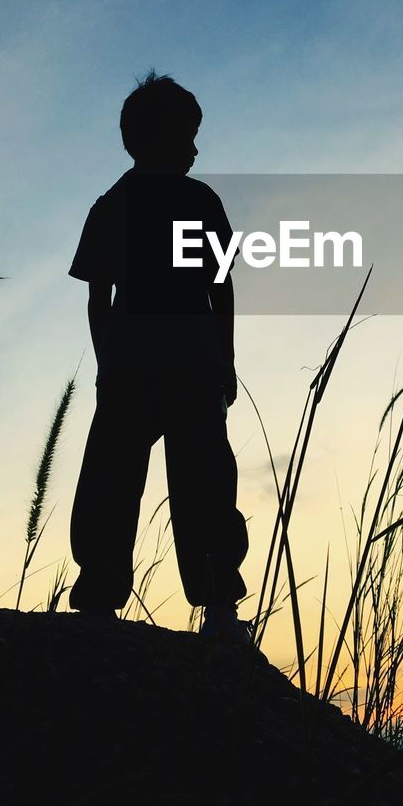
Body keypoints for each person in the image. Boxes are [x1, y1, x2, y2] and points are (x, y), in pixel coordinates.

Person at [67, 70, 249, 640]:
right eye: (188, 135)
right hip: (185, 361)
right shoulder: (193, 200)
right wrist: (225, 357)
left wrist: (106, 361)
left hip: (140, 363)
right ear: (157, 137)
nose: (196, 148)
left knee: (114, 479)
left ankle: (100, 599)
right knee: (200, 479)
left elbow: (100, 298)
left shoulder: (114, 202)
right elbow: (220, 287)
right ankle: (216, 607)